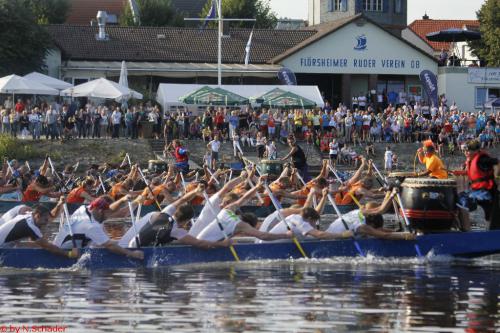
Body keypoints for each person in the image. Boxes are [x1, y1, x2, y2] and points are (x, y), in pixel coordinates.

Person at [196, 177, 292, 242]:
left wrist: (258, 186)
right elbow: (263, 236)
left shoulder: (227, 210)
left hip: (201, 241)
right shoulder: (240, 224)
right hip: (204, 245)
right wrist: (286, 235)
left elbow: (244, 198)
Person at [53, 196, 143, 259]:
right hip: (63, 254)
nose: (109, 217)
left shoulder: (84, 208)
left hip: (59, 247)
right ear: (100, 211)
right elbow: (110, 246)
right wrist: (132, 254)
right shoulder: (91, 226)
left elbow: (111, 209)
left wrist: (122, 200)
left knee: (103, 241)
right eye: (108, 214)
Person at [326, 189, 415, 240]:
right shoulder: (362, 227)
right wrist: (405, 236)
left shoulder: (361, 213)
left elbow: (380, 210)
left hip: (330, 233)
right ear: (371, 225)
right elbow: (384, 235)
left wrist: (391, 195)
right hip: (329, 240)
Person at [0, 204, 79, 259]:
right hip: (2, 248)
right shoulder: (31, 227)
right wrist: (69, 254)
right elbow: (48, 247)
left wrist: (59, 204)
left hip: (5, 244)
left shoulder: (28, 214)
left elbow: (51, 216)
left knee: (22, 244)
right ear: (38, 216)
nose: (47, 222)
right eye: (45, 220)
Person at [454, 140, 499, 230]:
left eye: (468, 151)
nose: (465, 153)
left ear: (475, 151)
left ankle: (466, 228)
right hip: (477, 190)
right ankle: (464, 226)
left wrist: (497, 177)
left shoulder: (482, 159)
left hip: (486, 192)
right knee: (458, 198)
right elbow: (473, 173)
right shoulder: (472, 160)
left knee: (463, 199)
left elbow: (497, 162)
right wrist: (458, 172)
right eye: (465, 151)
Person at [262, 207, 351, 242]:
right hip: (267, 247)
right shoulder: (299, 220)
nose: (315, 226)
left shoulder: (295, 217)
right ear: (309, 219)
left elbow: (317, 237)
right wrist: (343, 234)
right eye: (314, 222)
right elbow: (319, 235)